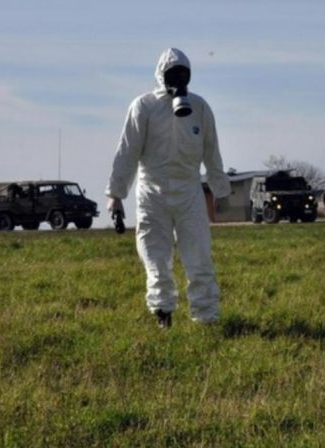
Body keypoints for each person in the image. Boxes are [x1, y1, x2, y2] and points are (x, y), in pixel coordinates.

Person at [106, 48, 231, 329]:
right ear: (161, 76)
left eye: (183, 73)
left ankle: (206, 318)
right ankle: (163, 313)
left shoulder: (199, 108)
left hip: (189, 193)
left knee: (199, 257)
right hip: (152, 194)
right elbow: (127, 153)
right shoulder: (143, 107)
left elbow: (212, 153)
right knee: (155, 257)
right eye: (172, 73)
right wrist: (115, 195)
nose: (178, 78)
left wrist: (220, 191)